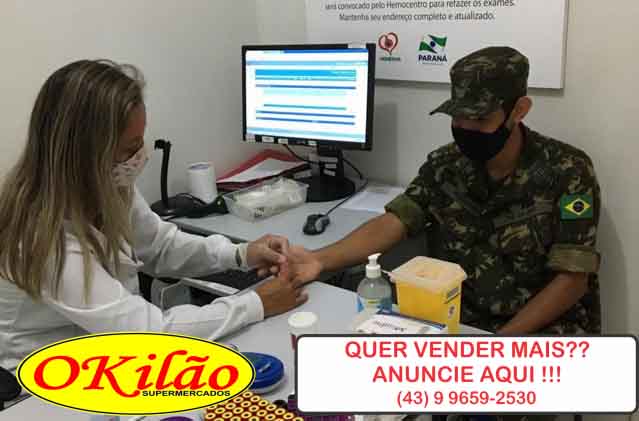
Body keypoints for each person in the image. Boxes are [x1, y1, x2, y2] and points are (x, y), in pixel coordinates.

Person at [0, 60, 307, 374]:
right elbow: (147, 333)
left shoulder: (107, 184)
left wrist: (241, 254)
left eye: (141, 141)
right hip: (44, 381)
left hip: (107, 353)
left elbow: (160, 247)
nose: (140, 156)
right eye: (131, 147)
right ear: (84, 155)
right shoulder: (38, 235)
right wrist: (255, 304)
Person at [289, 46, 602, 336]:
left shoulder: (568, 171)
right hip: (456, 321)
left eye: (479, 119)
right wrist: (319, 260)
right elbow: (395, 221)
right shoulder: (445, 164)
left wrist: (497, 345)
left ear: (519, 110)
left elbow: (572, 279)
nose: (466, 128)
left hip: (538, 330)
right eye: (458, 116)